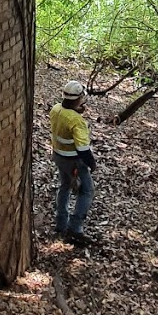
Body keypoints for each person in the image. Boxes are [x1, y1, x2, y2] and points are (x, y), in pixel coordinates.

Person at [50, 79, 98, 246]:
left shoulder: (56, 109)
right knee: (87, 191)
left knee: (65, 186)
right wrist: (91, 164)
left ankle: (61, 223)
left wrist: (77, 111)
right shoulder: (76, 121)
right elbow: (83, 149)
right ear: (78, 99)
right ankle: (75, 229)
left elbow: (66, 116)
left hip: (58, 156)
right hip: (73, 161)